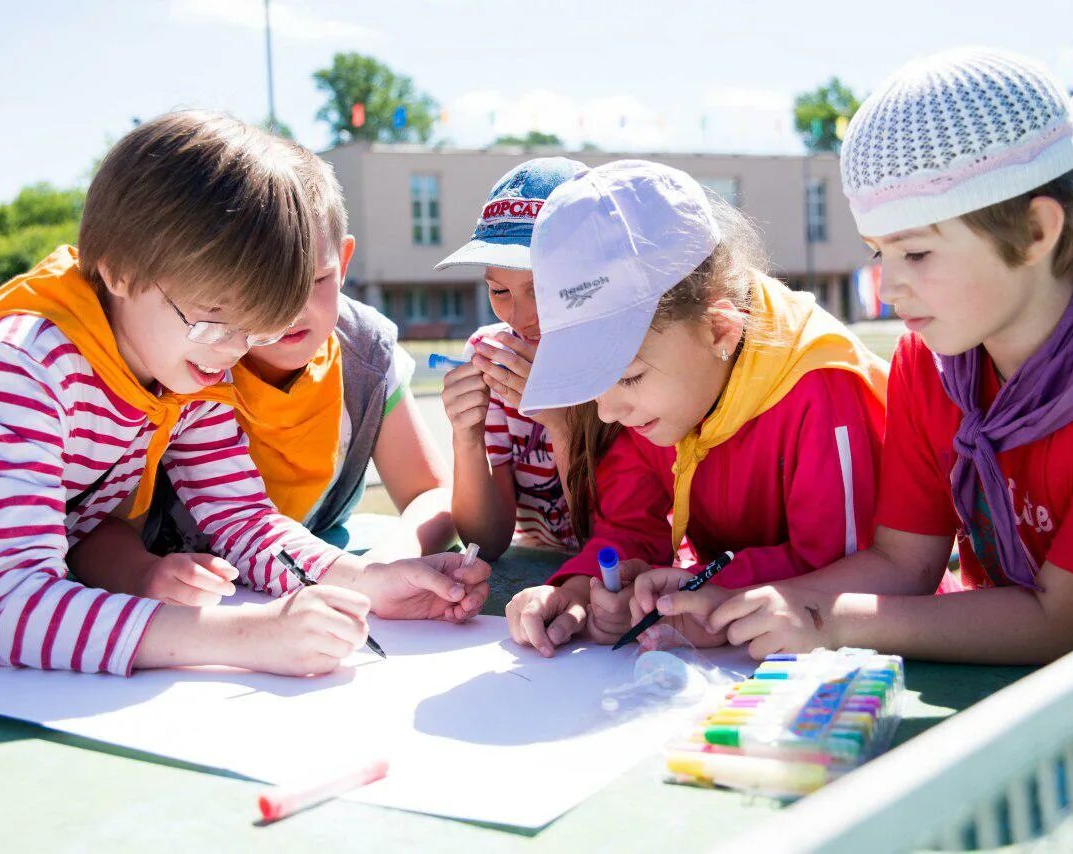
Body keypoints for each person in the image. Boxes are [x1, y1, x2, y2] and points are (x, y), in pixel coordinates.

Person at [0, 111, 488, 677]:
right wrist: (246, 636)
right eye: (214, 319)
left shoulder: (186, 365)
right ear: (118, 269)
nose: (232, 353)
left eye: (252, 328)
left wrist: (365, 580)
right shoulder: (20, 368)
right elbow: (11, 607)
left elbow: (243, 519)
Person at [657, 47, 1073, 663]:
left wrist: (824, 619)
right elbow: (904, 562)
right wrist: (747, 602)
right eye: (878, 254)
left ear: (1035, 232)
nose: (889, 288)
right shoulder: (933, 364)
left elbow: (1058, 623)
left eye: (915, 254)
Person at [504, 160, 888, 657]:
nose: (605, 412)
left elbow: (850, 568)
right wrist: (586, 588)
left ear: (720, 328)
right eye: (593, 382)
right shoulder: (655, 389)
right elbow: (629, 526)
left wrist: (706, 588)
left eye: (628, 376)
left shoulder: (822, 387)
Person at [67, 149, 458, 606]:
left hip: (313, 585)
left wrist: (388, 565)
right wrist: (144, 574)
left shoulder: (365, 352)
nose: (289, 310)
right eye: (264, 288)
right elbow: (91, 527)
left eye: (315, 280)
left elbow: (432, 492)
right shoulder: (184, 354)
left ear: (345, 260)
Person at [436, 157, 586, 559]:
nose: (520, 318)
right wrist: (466, 438)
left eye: (541, 288)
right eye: (499, 292)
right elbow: (486, 542)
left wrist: (560, 421)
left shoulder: (626, 364)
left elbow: (614, 540)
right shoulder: (494, 355)